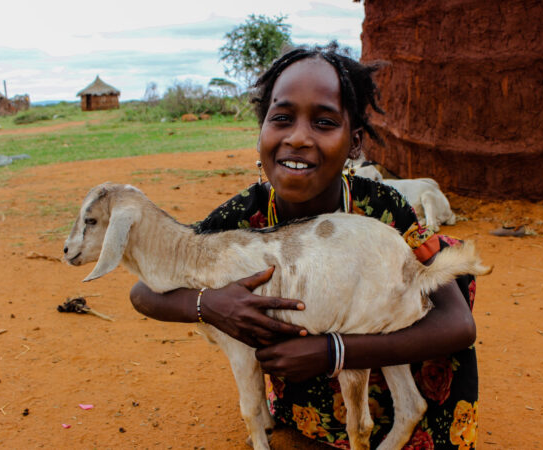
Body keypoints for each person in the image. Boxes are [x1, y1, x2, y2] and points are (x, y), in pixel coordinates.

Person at [130, 44, 479, 449]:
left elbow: (458, 324)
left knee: (444, 276)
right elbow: (145, 291)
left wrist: (335, 351)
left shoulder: (383, 208)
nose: (297, 137)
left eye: (324, 122)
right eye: (281, 118)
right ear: (261, 132)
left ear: (354, 144)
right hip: (302, 385)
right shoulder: (245, 214)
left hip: (379, 362)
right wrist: (210, 304)